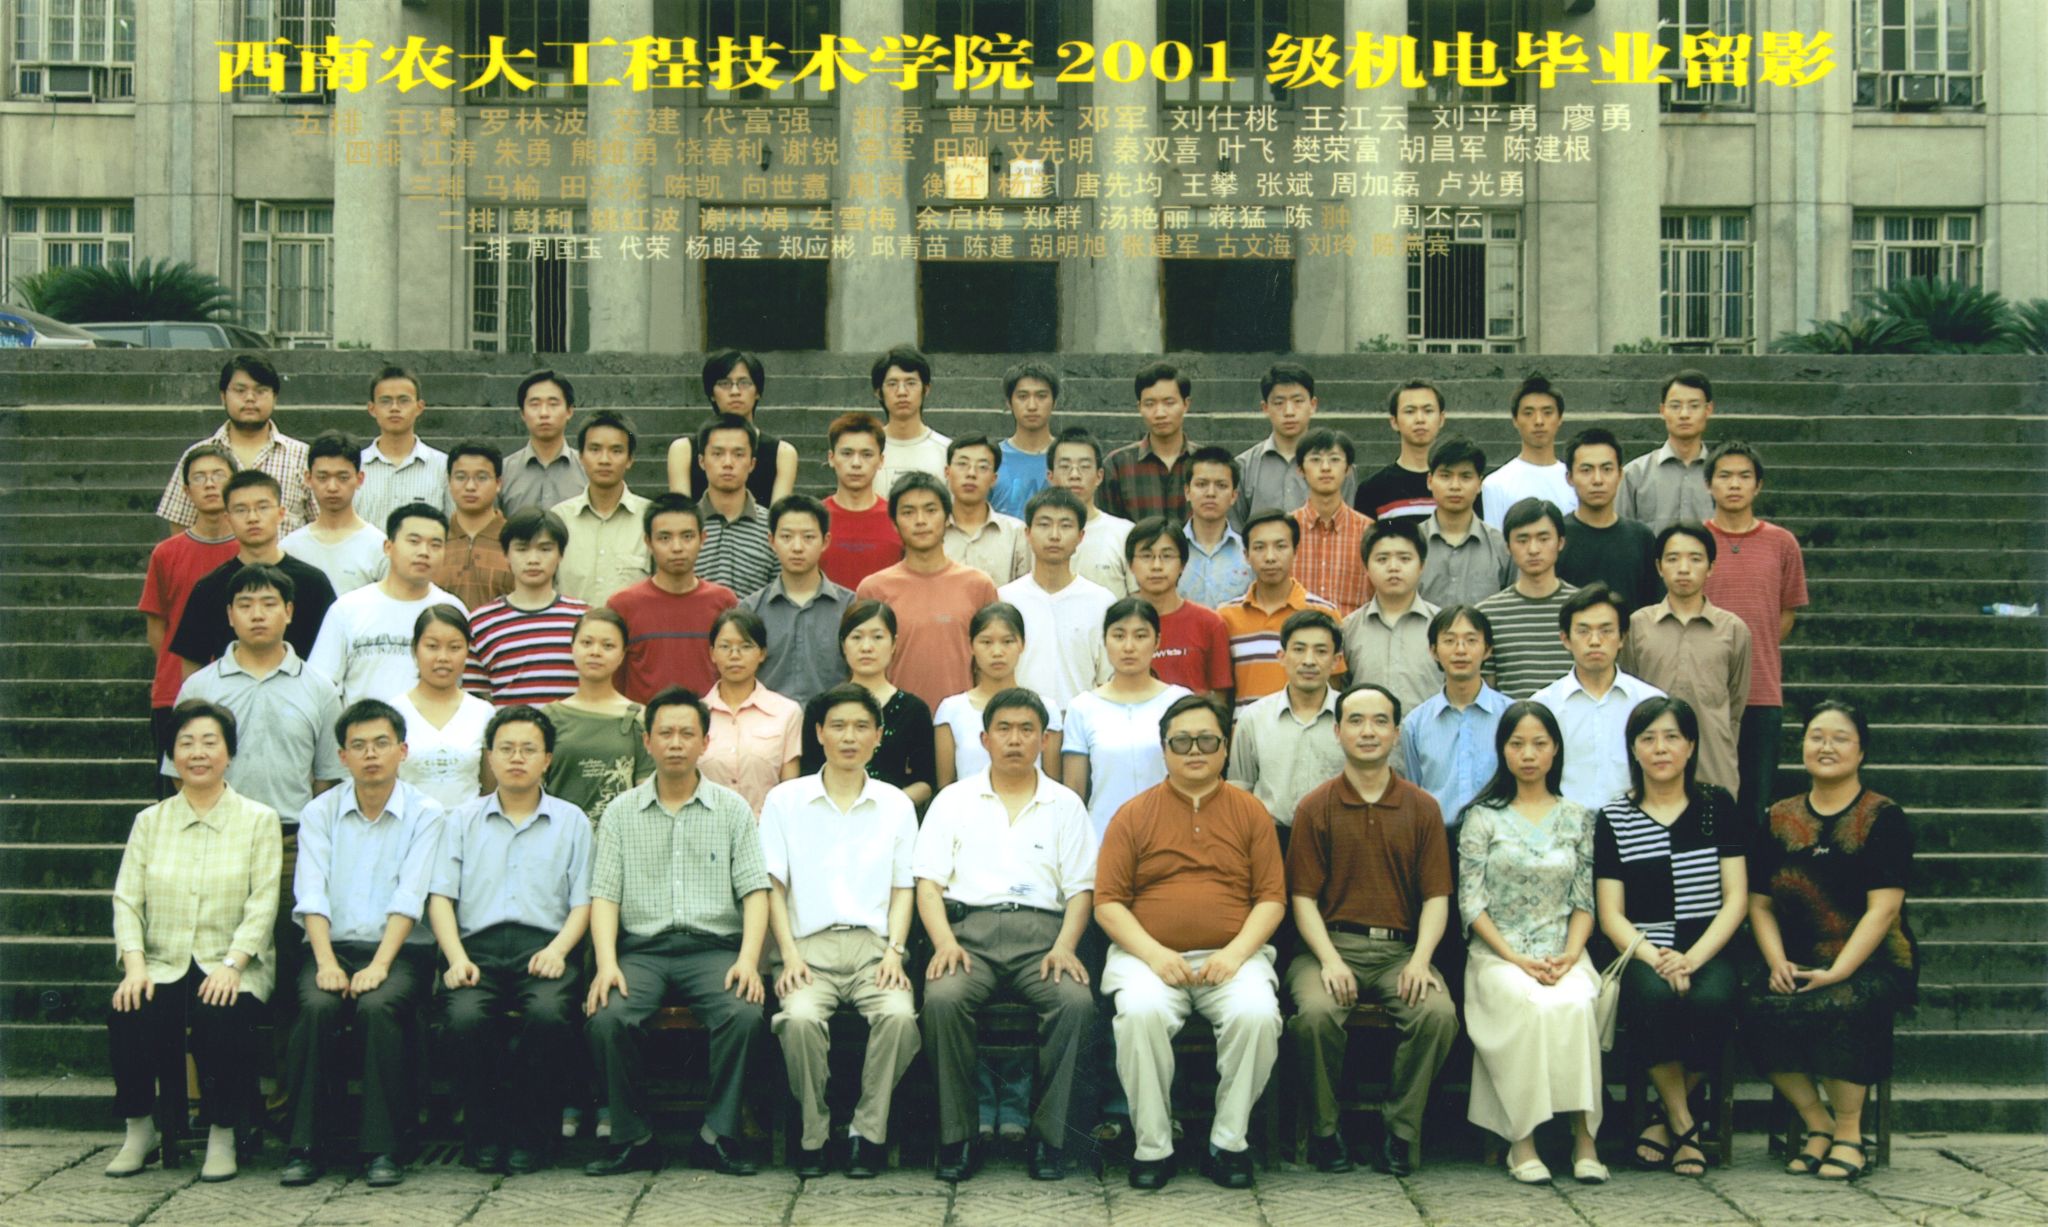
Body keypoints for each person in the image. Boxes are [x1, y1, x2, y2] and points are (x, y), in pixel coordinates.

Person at [1093, 695, 1286, 1191]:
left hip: (1234, 957)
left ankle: (1228, 1143)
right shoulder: (1133, 815)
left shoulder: (1251, 813)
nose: (1194, 750)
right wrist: (1155, 954)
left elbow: (1271, 899)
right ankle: (1153, 1147)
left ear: (1225, 747)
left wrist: (1235, 954)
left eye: (1206, 740)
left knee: (1257, 1015)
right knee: (1139, 1013)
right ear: (1164, 749)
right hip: (1147, 957)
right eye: (1181, 742)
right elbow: (1108, 903)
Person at [583, 685, 772, 1178]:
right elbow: (605, 895)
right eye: (665, 733)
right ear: (647, 741)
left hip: (712, 949)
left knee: (743, 1013)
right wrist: (606, 964)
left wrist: (748, 960)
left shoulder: (732, 809)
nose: (675, 743)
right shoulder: (621, 812)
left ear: (705, 743)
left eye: (687, 734)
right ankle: (634, 1138)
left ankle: (716, 1136)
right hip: (642, 951)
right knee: (608, 1016)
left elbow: (756, 891)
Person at [915, 687, 1098, 1183]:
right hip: (967, 936)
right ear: (984, 739)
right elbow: (928, 884)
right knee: (942, 999)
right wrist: (944, 943)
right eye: (1004, 729)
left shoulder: (1065, 804)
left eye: (1026, 730)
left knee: (1075, 1004)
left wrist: (1065, 946)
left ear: (1044, 740)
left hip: (1043, 938)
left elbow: (1081, 889)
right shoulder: (953, 800)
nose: (1015, 739)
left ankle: (1049, 1138)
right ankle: (958, 1136)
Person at [104, 700, 282, 1182]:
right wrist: (135, 966)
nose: (197, 753)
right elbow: (127, 900)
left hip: (233, 963)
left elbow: (263, 903)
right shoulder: (150, 821)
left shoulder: (259, 820)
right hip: (162, 962)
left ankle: (222, 1133)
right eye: (185, 743)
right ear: (172, 755)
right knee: (128, 1010)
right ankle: (139, 1129)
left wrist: (233, 964)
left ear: (229, 753)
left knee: (218, 1014)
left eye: (209, 742)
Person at [1286, 683, 1456, 1177]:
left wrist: (1421, 961)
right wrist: (1330, 960)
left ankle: (1400, 1132)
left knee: (1438, 1015)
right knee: (1315, 1015)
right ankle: (1325, 1131)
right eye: (1356, 720)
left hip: (1400, 952)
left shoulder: (1422, 808)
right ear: (1337, 731)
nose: (1368, 731)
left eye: (1380, 721)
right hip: (1329, 945)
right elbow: (1302, 898)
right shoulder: (1315, 807)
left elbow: (1436, 897)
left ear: (1397, 733)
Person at [1744, 700, 1917, 1185]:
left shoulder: (1883, 817)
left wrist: (1840, 970)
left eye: (1840, 738)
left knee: (1844, 1001)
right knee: (1752, 1003)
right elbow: (1759, 904)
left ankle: (1848, 1133)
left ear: (1861, 751)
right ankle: (1816, 1122)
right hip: (1796, 956)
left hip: (1871, 958)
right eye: (1816, 736)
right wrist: (1776, 961)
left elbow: (1884, 909)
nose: (1826, 747)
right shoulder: (1778, 817)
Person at [281, 698, 445, 1189]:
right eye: (359, 745)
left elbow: (410, 895)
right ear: (342, 756)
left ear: (403, 751)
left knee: (378, 1006)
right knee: (316, 1005)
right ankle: (305, 1146)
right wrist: (326, 962)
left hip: (401, 951)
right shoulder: (320, 812)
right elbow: (311, 893)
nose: (371, 754)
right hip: (330, 946)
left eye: (381, 743)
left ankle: (383, 1147)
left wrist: (379, 965)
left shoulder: (426, 813)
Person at [761, 684, 924, 1178]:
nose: (849, 737)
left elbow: (903, 888)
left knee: (900, 1017)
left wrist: (895, 952)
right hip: (805, 948)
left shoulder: (895, 804)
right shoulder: (785, 800)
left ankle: (866, 1133)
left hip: (874, 949)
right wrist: (788, 955)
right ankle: (813, 1134)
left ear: (878, 736)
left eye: (860, 727)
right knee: (798, 1020)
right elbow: (772, 887)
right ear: (819, 734)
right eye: (838, 726)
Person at [426, 705, 593, 1173]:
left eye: (528, 749)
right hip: (475, 951)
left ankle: (532, 1135)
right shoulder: (460, 820)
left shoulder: (572, 821)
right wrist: (455, 958)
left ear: (547, 759)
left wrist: (559, 950)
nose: (517, 758)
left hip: (545, 949)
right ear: (489, 757)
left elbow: (584, 902)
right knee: (464, 1018)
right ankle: (484, 1131)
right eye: (506, 749)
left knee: (548, 1016)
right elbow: (440, 897)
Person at [1593, 697, 1747, 1179]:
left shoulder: (1717, 806)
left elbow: (1736, 899)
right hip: (1644, 951)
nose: (1660, 748)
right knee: (1651, 1001)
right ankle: (1684, 1124)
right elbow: (1611, 914)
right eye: (1648, 738)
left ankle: (1662, 1119)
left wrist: (1692, 959)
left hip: (1708, 948)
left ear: (1691, 746)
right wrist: (1657, 958)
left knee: (1714, 1000)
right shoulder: (1614, 817)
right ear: (1633, 749)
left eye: (1672, 737)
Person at [1456, 700, 1608, 1185]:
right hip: (1498, 956)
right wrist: (1516, 958)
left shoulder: (1579, 818)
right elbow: (1471, 904)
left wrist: (1570, 955)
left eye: (1539, 744)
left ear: (1555, 749)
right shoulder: (1482, 818)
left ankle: (1585, 1138)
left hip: (1563, 951)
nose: (1528, 754)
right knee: (1531, 1005)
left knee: (1577, 1002)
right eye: (1517, 743)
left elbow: (1585, 900)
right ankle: (1521, 1140)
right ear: (1502, 750)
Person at [169, 564, 343, 826]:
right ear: (230, 615)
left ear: (288, 611)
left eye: (269, 604)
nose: (257, 615)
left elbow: (328, 776)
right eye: (245, 605)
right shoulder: (199, 688)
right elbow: (177, 769)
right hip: (219, 831)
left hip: (293, 835)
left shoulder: (320, 689)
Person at [1701, 441, 1809, 829]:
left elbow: (1786, 614)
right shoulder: (1694, 542)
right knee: (1703, 801)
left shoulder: (1782, 543)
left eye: (1744, 476)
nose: (1734, 485)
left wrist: (1750, 654)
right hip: (1705, 693)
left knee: (1753, 804)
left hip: (1761, 691)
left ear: (1758, 485)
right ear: (1709, 484)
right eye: (1724, 476)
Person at [172, 470, 340, 689]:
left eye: (262, 507)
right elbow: (192, 665)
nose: (252, 518)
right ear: (227, 519)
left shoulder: (314, 583)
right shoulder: (209, 587)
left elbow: (334, 656)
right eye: (241, 510)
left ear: (281, 513)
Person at [855, 472, 1000, 711]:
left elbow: (992, 662)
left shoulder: (978, 585)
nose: (920, 521)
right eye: (908, 512)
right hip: (894, 720)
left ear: (947, 518)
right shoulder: (873, 589)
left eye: (931, 510)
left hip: (962, 721)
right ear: (894, 523)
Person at [1628, 523, 1753, 797]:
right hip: (1651, 766)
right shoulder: (1637, 626)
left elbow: (1735, 704)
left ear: (1711, 567)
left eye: (1695, 559)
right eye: (1673, 559)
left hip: (1713, 764)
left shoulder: (1733, 629)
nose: (1683, 568)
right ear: (1659, 567)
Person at [305, 503, 465, 707]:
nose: (424, 552)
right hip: (363, 726)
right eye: (414, 541)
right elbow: (319, 686)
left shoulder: (453, 610)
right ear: (388, 547)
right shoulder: (348, 609)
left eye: (435, 544)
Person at [1061, 599, 1194, 841]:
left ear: (1157, 641)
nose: (1129, 647)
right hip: (1104, 837)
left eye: (1140, 636)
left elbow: (1195, 777)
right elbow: (1075, 790)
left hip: (1170, 836)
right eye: (1119, 636)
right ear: (1105, 641)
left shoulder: (1180, 702)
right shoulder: (1083, 708)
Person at [142, 445, 241, 769]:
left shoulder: (250, 550)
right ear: (186, 491)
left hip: (239, 689)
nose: (209, 484)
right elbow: (157, 627)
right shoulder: (166, 553)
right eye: (199, 478)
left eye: (218, 475)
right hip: (175, 690)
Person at [1531, 585, 1667, 812]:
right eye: (1583, 631)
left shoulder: (1650, 702)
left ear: (1622, 637)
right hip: (1565, 826)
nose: (1595, 641)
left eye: (1606, 630)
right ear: (1565, 639)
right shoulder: (1544, 705)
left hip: (1634, 825)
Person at [797, 601, 937, 809]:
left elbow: (925, 781)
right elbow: (809, 773)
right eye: (856, 637)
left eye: (877, 637)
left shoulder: (914, 709)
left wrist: (884, 808)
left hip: (891, 817)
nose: (866, 647)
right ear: (843, 645)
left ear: (894, 644)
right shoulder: (820, 707)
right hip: (829, 812)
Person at [158, 354, 312, 534]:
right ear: (223, 396)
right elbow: (180, 528)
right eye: (240, 390)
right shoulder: (197, 457)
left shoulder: (303, 456)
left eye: (260, 390)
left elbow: (324, 525)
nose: (250, 398)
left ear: (274, 397)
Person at [606, 493, 738, 703]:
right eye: (665, 538)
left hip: (710, 720)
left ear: (703, 539)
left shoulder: (723, 601)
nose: (677, 547)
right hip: (642, 721)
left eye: (687, 536)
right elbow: (614, 680)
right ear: (648, 542)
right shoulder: (623, 605)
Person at [1229, 608, 1348, 838]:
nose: (1309, 661)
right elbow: (1240, 787)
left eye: (1321, 651)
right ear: (1281, 656)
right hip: (1271, 838)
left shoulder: (1352, 717)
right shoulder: (1254, 718)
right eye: (1299, 649)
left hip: (1337, 838)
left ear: (1336, 661)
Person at [999, 487, 1114, 716]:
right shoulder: (1005, 599)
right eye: (1044, 524)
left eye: (1065, 525)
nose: (1054, 535)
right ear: (1027, 533)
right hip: (1018, 723)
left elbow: (1109, 679)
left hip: (1082, 724)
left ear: (1081, 536)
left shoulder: (1102, 601)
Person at [461, 507, 587, 707]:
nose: (533, 560)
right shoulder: (480, 622)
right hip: (507, 726)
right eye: (522, 549)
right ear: (506, 555)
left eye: (545, 549)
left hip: (570, 727)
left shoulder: (583, 619)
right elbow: (475, 700)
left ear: (560, 555)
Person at [539, 608, 654, 822]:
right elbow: (533, 788)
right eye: (586, 643)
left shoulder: (639, 717)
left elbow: (646, 791)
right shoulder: (549, 717)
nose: (595, 652)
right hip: (560, 834)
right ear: (572, 647)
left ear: (622, 655)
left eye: (608, 646)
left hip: (620, 836)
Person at [1218, 508, 1341, 707]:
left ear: (1295, 551)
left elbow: (1335, 685)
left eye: (1280, 546)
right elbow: (1222, 692)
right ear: (1246, 555)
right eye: (1259, 547)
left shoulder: (1324, 613)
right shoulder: (1226, 616)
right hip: (1246, 726)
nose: (1270, 557)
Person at [1401, 606, 1511, 828]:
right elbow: (1414, 790)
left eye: (1471, 640)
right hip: (1437, 836)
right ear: (1434, 651)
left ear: (1487, 650)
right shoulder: (1415, 724)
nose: (1460, 650)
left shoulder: (1510, 715)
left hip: (1500, 835)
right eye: (1449, 641)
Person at [742, 495, 855, 709]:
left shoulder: (850, 607)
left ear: (825, 541)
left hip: (833, 721)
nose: (797, 547)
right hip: (768, 723)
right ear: (771, 541)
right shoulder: (751, 609)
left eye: (808, 537)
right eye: (786, 537)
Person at [934, 602, 1061, 789]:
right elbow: (945, 787)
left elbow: (1053, 785)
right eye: (986, 642)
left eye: (1007, 642)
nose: (997, 652)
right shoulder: (951, 710)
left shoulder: (1046, 708)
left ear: (1022, 645)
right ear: (971, 646)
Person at [389, 605, 494, 813]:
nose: (443, 657)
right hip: (410, 828)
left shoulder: (483, 713)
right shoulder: (394, 713)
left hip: (468, 828)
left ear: (467, 651)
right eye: (432, 646)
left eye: (454, 647)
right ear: (415, 649)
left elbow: (490, 789)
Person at [700, 608, 802, 815]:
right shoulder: (695, 715)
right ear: (712, 654)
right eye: (725, 646)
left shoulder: (787, 712)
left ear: (762, 653)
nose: (734, 655)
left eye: (746, 646)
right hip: (706, 827)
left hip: (764, 827)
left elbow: (790, 789)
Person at [1478, 498, 1580, 700]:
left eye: (1543, 538)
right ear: (1507, 547)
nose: (1533, 549)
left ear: (1560, 542)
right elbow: (1486, 690)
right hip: (1512, 718)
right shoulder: (1487, 614)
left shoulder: (1583, 608)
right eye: (1522, 540)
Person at [668, 349, 798, 506]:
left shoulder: (782, 453)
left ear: (757, 391)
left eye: (744, 383)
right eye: (724, 383)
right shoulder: (683, 450)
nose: (735, 392)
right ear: (711, 394)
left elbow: (779, 517)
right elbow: (680, 515)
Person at [1233, 362, 1354, 529]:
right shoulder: (1244, 466)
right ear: (1265, 408)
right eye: (1279, 403)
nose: (1289, 411)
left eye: (1298, 401)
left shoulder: (1336, 465)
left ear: (1313, 405)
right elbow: (1236, 530)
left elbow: (1346, 522)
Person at [1340, 519, 1442, 716]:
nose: (1393, 567)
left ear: (1421, 565)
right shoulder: (1348, 629)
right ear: (1366, 567)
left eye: (1404, 559)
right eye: (1382, 559)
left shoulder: (1442, 625)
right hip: (1368, 734)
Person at [1126, 516, 1233, 702]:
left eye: (1167, 556)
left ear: (1182, 564)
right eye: (1146, 556)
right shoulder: (1120, 624)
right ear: (1130, 565)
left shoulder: (1209, 623)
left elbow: (1220, 698)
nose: (1156, 566)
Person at [552, 410, 652, 606]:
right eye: (595, 449)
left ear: (630, 459)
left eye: (616, 451)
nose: (604, 460)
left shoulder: (650, 519)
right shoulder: (559, 519)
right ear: (581, 456)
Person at [1558, 427, 1660, 615]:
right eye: (1586, 470)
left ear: (1620, 475)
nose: (1597, 480)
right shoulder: (1556, 537)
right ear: (1569, 477)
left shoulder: (1642, 538)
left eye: (1606, 469)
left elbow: (1654, 607)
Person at [283, 431, 387, 596]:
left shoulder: (379, 547)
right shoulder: (290, 547)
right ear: (308, 478)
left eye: (343, 478)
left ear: (359, 479)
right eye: (322, 477)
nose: (332, 487)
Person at [1356, 378, 1470, 524]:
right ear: (1394, 422)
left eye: (1428, 411)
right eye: (1410, 411)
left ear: (1441, 419)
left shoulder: (1461, 485)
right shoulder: (1372, 490)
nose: (1420, 419)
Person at [1417, 436, 1513, 609]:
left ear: (1479, 484)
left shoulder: (1501, 546)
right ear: (1430, 481)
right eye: (1445, 476)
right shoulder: (1411, 544)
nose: (1455, 486)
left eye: (1465, 476)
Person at [1102, 361, 1200, 525]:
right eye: (1150, 404)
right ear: (1139, 407)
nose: (1160, 413)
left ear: (1186, 404)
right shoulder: (1117, 465)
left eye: (1169, 403)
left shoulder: (1206, 461)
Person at [356, 366, 450, 533]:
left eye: (404, 400)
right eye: (385, 401)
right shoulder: (354, 466)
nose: (394, 408)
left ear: (419, 407)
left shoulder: (443, 466)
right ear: (372, 409)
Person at [1289, 428, 1372, 617]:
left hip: (1350, 632)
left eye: (1334, 459)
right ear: (1300, 469)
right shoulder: (1285, 530)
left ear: (1348, 469)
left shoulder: (1368, 531)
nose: (1325, 467)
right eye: (1315, 460)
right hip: (1296, 631)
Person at [1620, 370, 1717, 531]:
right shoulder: (1635, 475)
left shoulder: (1723, 475)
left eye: (1694, 406)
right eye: (1675, 406)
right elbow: (1622, 534)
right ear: (1662, 410)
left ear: (1708, 409)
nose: (1684, 414)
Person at [693, 414, 778, 596]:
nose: (728, 463)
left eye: (738, 454)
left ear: (752, 464)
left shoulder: (773, 527)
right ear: (702, 461)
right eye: (717, 454)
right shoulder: (684, 527)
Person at [1479, 376, 1577, 531]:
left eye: (1547, 412)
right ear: (1515, 420)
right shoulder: (1496, 484)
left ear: (1560, 418)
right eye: (1528, 413)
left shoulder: (1577, 481)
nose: (1539, 421)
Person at [818, 412, 903, 590]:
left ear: (881, 460)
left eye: (867, 454)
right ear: (831, 458)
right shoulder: (814, 518)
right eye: (847, 453)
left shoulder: (899, 519)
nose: (856, 463)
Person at [1049, 427, 1134, 596]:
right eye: (1065, 466)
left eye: (1085, 466)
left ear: (1099, 476)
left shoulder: (1125, 533)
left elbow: (1137, 598)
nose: (1074, 475)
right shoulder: (1038, 534)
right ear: (1050, 476)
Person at [941, 435, 1030, 584]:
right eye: (962, 464)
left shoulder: (1016, 533)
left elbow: (1026, 589)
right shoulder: (931, 530)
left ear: (994, 478)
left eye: (982, 467)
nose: (971, 473)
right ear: (947, 472)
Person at [437, 441, 513, 611]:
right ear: (449, 482)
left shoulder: (515, 540)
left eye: (482, 477)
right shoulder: (435, 540)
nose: (470, 486)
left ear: (498, 483)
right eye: (460, 477)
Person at [500, 369, 585, 515]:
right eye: (535, 404)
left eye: (553, 404)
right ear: (522, 413)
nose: (544, 413)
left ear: (569, 411)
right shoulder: (504, 471)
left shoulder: (588, 470)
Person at [1179, 446, 1255, 608]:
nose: (1211, 493)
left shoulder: (1249, 554)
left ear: (1234, 496)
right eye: (1201, 484)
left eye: (1221, 485)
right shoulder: (1171, 551)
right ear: (1187, 492)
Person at [872, 345, 951, 499]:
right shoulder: (865, 452)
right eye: (892, 384)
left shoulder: (947, 452)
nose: (902, 392)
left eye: (911, 383)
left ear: (926, 389)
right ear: (878, 392)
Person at [991, 360, 1059, 518]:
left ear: (1054, 402)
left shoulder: (1069, 458)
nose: (1032, 406)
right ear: (1009, 403)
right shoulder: (992, 458)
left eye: (1041, 396)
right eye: (1022, 396)